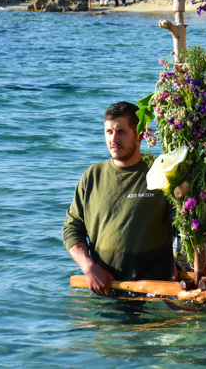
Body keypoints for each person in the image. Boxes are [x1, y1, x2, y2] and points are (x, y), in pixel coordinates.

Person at [62, 102, 173, 295]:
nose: (114, 139)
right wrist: (89, 268)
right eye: (108, 131)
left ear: (140, 135)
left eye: (121, 131)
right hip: (104, 289)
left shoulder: (160, 174)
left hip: (151, 294)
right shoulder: (92, 176)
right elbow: (72, 229)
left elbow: (188, 225)